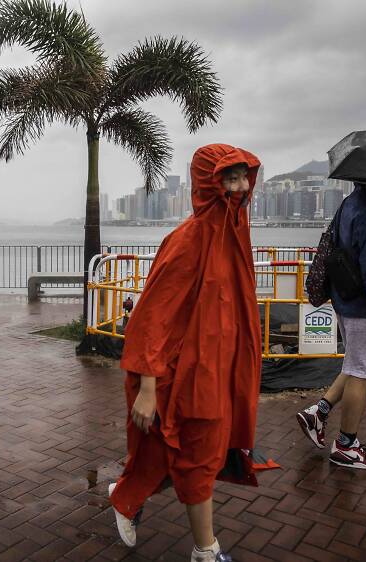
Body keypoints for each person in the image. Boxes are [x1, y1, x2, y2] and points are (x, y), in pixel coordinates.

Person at [108, 144, 265, 562]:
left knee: (179, 454)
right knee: (198, 458)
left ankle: (126, 496)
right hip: (189, 375)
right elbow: (152, 314)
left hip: (219, 370)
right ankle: (206, 550)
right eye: (229, 178)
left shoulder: (235, 234)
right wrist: (146, 385)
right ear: (207, 184)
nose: (240, 187)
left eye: (243, 177)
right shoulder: (189, 239)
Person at [296, 183, 366, 469]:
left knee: (357, 362)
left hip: (344, 299)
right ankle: (346, 446)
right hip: (363, 305)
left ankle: (317, 414)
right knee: (363, 370)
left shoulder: (349, 204)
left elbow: (352, 245)